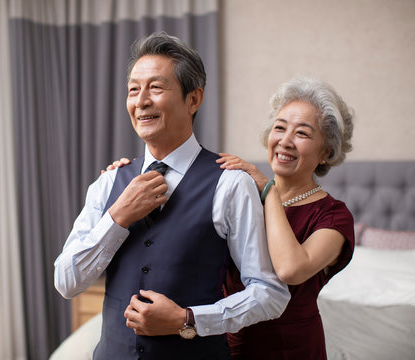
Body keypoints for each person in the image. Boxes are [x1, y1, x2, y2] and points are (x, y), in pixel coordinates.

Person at [54, 31, 290, 360]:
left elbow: (271, 294)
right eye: (133, 90)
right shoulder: (108, 184)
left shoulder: (231, 184)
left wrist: (187, 319)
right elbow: (66, 282)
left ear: (193, 100)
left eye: (156, 87)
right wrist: (118, 216)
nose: (141, 101)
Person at [108, 76, 355, 359]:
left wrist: (270, 192)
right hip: (221, 342)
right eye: (279, 128)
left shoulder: (334, 217)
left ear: (326, 152)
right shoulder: (240, 191)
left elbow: (289, 270)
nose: (285, 141)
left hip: (289, 349)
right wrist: (125, 175)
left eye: (302, 133)